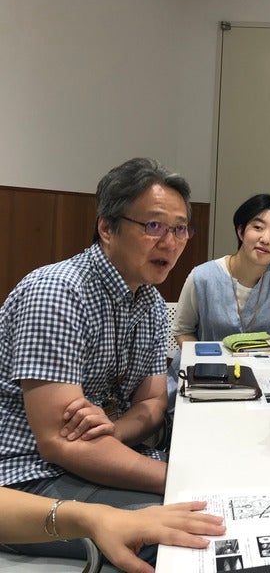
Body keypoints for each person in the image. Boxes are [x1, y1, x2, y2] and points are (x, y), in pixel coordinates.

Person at [0, 157, 194, 563]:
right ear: (107, 228)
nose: (170, 242)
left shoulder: (151, 303)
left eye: (180, 229)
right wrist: (181, 478)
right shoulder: (57, 293)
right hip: (27, 481)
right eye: (154, 225)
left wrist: (114, 429)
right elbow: (59, 443)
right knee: (190, 533)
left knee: (212, 505)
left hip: (93, 461)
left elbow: (153, 402)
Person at [167, 194, 270, 407]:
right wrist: (208, 366)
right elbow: (182, 330)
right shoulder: (202, 276)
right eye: (258, 227)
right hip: (206, 380)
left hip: (261, 380)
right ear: (241, 231)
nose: (266, 239)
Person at [0, 487, 225, 573]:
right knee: (174, 541)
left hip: (61, 476)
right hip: (30, 486)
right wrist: (91, 518)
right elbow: (60, 445)